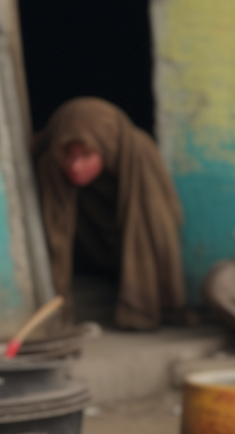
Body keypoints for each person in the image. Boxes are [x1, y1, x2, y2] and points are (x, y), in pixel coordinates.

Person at [33, 97, 186, 330]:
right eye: (69, 156)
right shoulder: (50, 166)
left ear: (108, 148)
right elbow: (54, 233)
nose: (75, 167)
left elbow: (158, 227)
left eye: (86, 156)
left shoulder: (138, 155)